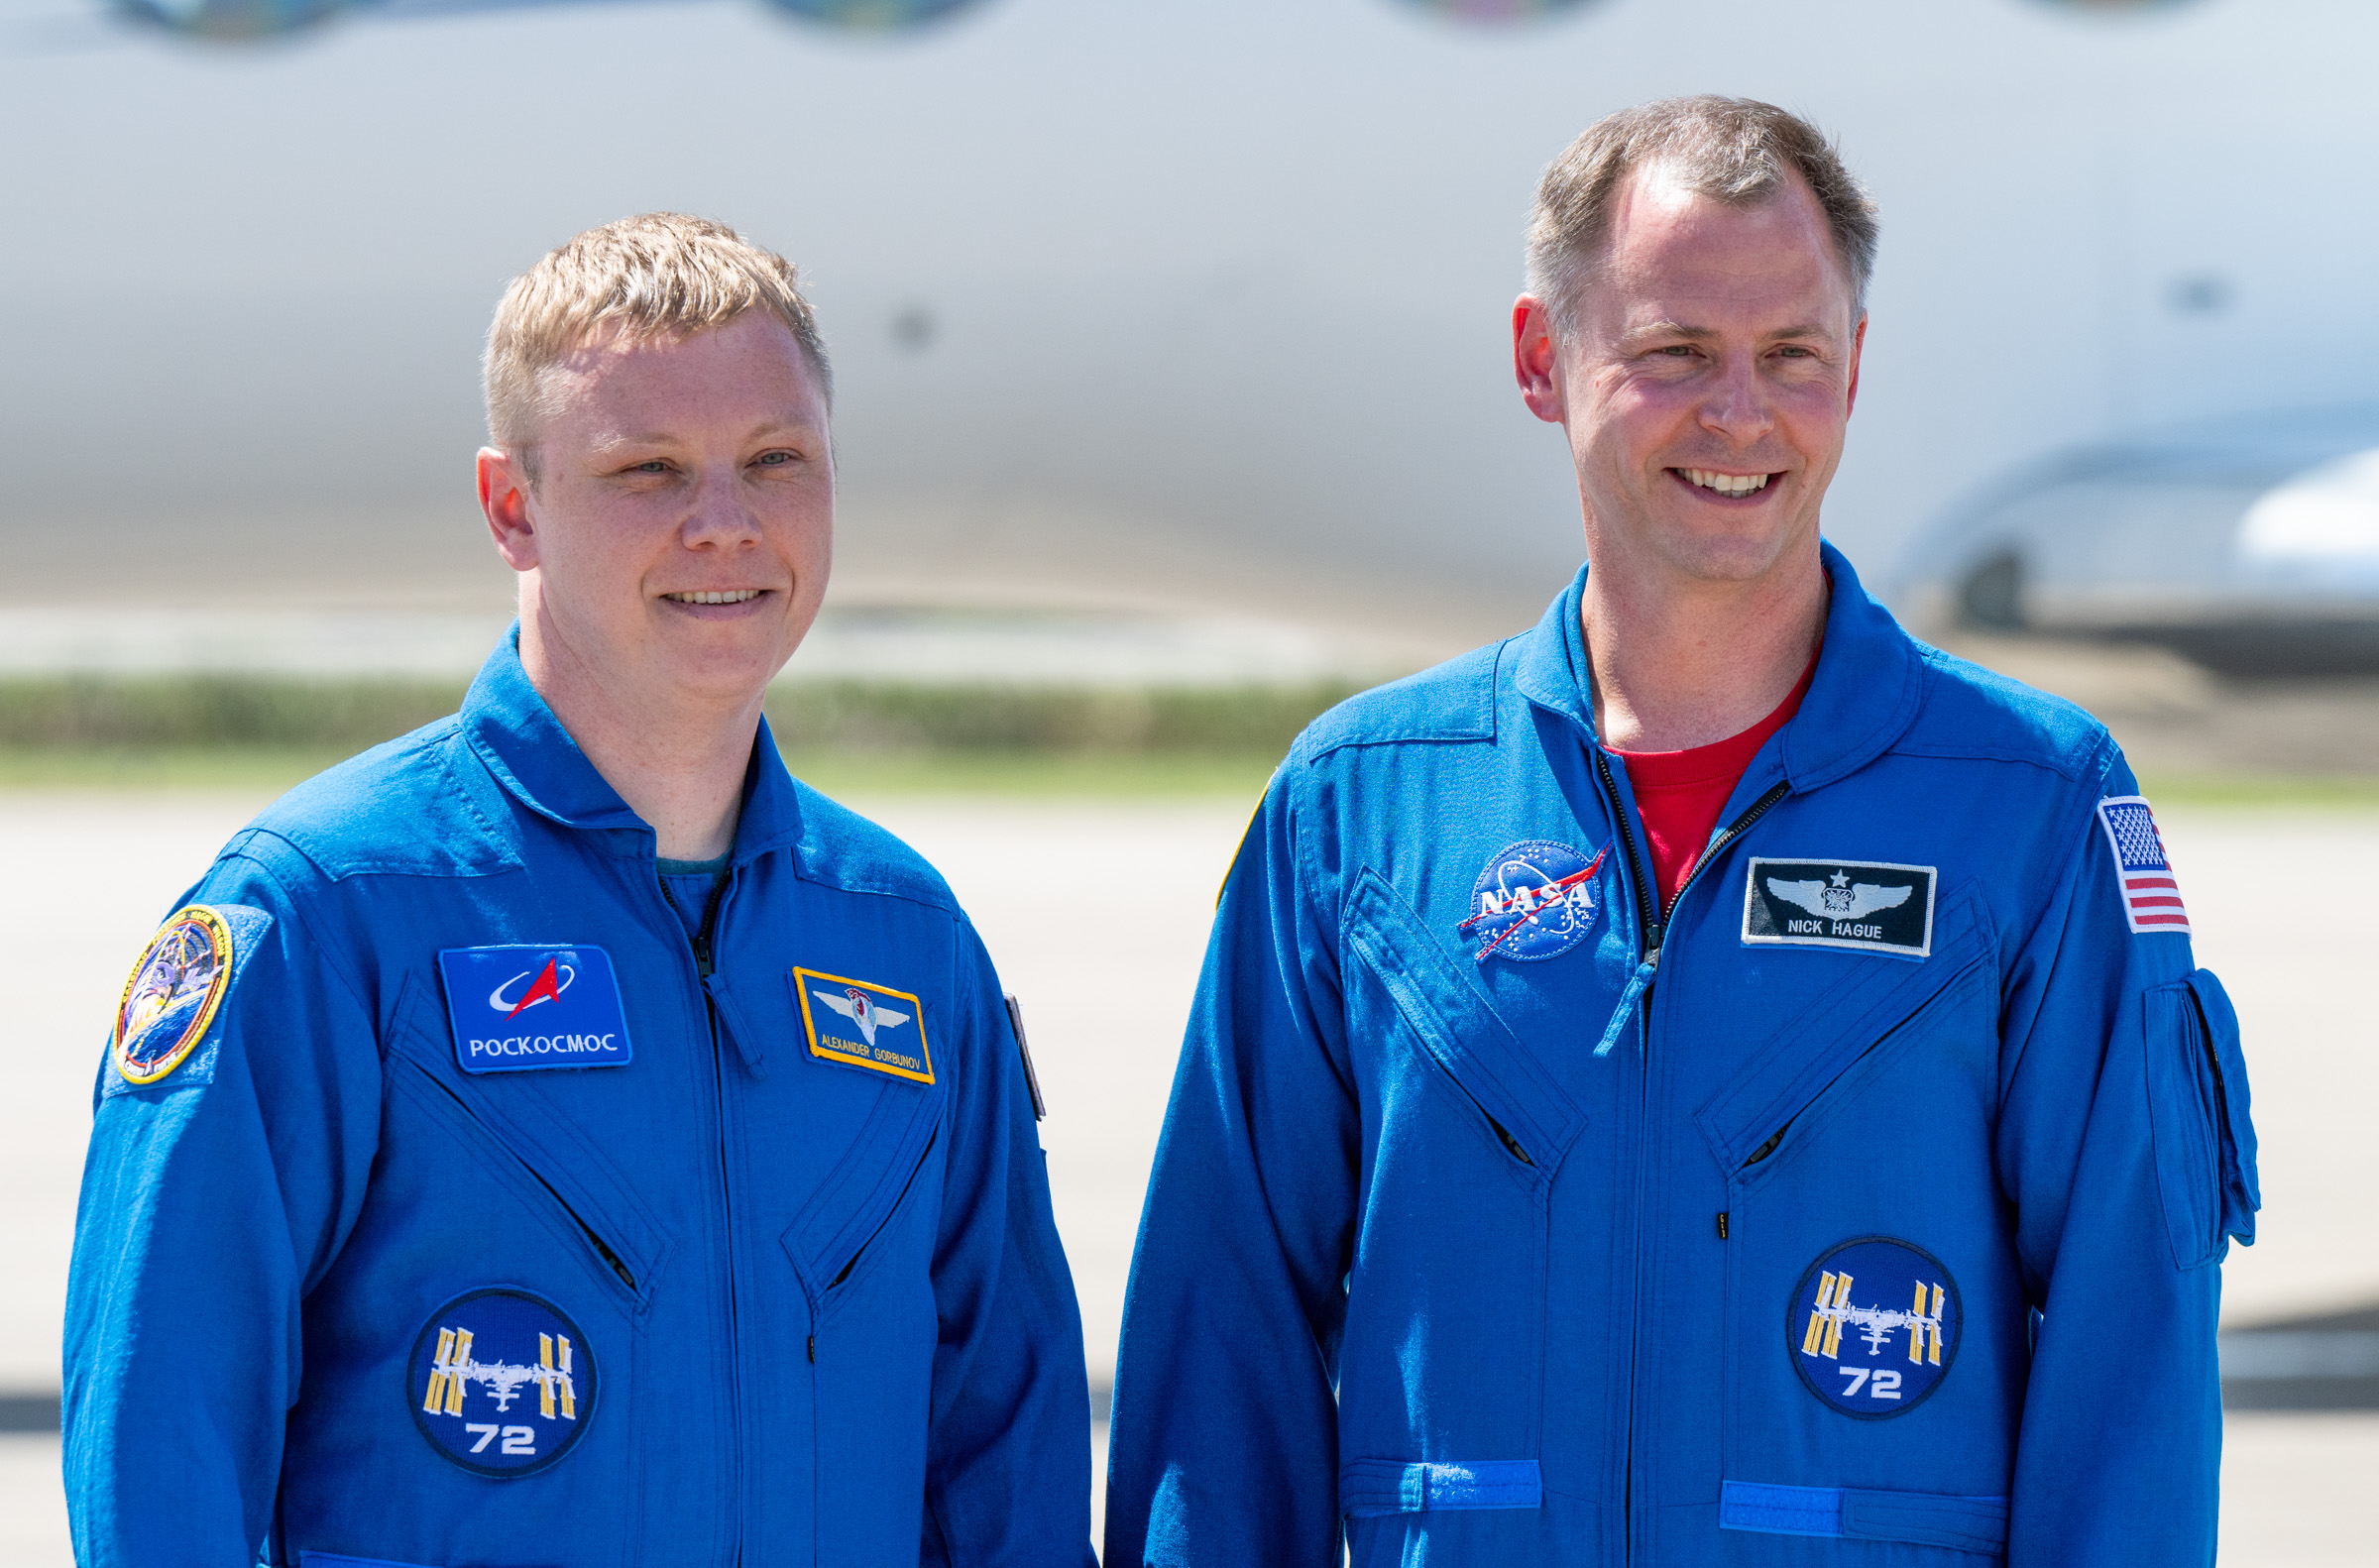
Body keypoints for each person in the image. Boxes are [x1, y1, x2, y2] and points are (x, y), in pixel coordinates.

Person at [1104, 97, 2257, 1566]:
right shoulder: (1359, 808)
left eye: (1794, 356)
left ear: (1854, 371)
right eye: (1674, 355)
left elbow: (2131, 1360)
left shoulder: (2027, 807)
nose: (1740, 414)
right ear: (1543, 359)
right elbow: (1222, 1343)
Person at [64, 213, 1095, 1568]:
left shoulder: (903, 939)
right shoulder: (325, 919)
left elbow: (1002, 1456)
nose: (723, 522)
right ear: (511, 505)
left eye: (775, 461)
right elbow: (163, 1449)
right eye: (646, 469)